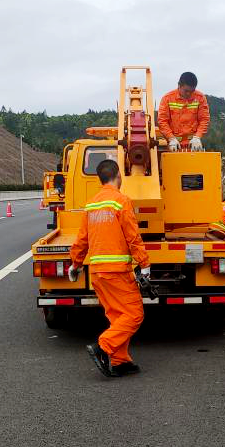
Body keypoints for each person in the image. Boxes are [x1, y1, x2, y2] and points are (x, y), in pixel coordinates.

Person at [68, 159, 151, 377]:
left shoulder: (91, 204)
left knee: (117, 316)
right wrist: (144, 264)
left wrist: (76, 264)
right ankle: (103, 346)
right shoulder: (121, 201)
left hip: (98, 273)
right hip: (117, 272)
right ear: (118, 175)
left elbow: (82, 239)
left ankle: (120, 361)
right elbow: (133, 236)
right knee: (134, 314)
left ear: (100, 178)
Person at [158, 71, 211, 152]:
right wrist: (171, 138)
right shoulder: (167, 98)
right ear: (179, 85)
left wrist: (197, 137)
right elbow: (162, 121)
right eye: (186, 91)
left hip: (193, 145)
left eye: (192, 91)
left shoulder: (200, 98)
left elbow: (204, 119)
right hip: (174, 145)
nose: (189, 94)